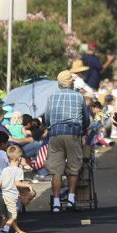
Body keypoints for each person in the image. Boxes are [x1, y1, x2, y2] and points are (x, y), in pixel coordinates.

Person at [45, 70, 92, 213]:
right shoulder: (79, 97)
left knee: (56, 170)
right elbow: (86, 119)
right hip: (73, 133)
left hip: (55, 134)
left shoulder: (51, 97)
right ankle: (71, 200)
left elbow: (47, 119)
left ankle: (57, 203)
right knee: (73, 167)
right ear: (71, 82)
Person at [0, 144, 35, 233]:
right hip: (10, 196)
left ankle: (0, 232)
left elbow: (0, 183)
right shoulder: (18, 170)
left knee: (4, 216)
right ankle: (5, 230)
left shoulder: (4, 170)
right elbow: (17, 183)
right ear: (19, 159)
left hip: (2, 195)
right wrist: (28, 185)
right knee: (13, 216)